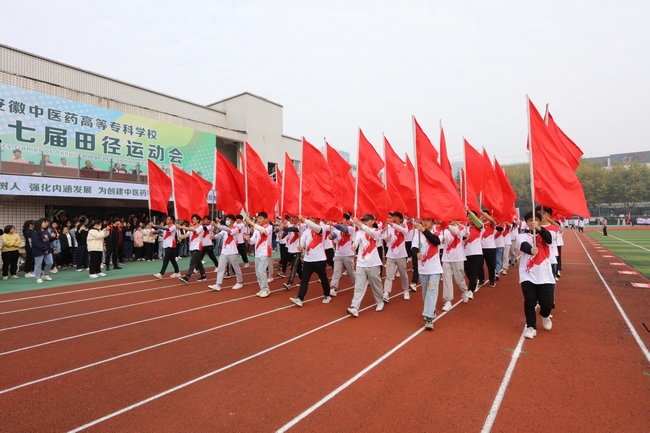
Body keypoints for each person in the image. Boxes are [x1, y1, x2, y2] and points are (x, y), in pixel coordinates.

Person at [518, 211, 555, 339]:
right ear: (526, 222)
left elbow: (549, 239)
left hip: (545, 275)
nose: (532, 222)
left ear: (539, 221)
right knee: (530, 302)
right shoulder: (522, 236)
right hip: (527, 275)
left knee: (547, 304)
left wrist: (538, 229)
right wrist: (530, 250)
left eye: (535, 220)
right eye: (529, 220)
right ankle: (531, 327)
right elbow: (523, 246)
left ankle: (545, 315)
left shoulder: (549, 233)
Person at [289, 216, 332, 307]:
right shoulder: (306, 231)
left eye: (313, 218)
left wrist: (304, 220)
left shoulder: (322, 228)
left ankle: (327, 295)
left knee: (323, 278)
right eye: (310, 218)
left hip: (320, 259)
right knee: (304, 279)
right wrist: (300, 245)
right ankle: (300, 298)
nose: (311, 220)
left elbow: (316, 228)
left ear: (318, 219)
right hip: (308, 260)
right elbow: (302, 240)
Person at [346, 214, 384, 317]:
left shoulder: (377, 231)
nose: (364, 222)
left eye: (367, 220)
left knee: (376, 284)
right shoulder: (359, 233)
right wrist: (354, 246)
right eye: (363, 220)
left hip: (373, 263)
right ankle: (355, 307)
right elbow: (356, 242)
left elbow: (372, 234)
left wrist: (359, 224)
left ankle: (380, 301)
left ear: (373, 221)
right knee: (359, 286)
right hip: (361, 262)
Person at [412, 218, 443, 329]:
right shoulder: (417, 235)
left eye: (428, 220)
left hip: (434, 269)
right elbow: (414, 247)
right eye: (423, 220)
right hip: (423, 269)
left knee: (431, 291)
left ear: (433, 222)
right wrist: (416, 254)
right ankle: (431, 310)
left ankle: (428, 317)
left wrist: (424, 230)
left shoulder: (438, 232)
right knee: (425, 294)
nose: (425, 222)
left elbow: (436, 241)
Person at [208, 215, 244, 291]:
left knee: (236, 268)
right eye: (226, 219)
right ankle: (218, 284)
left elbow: (228, 230)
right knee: (220, 268)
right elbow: (220, 235)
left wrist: (216, 225)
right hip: (224, 251)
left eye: (229, 219)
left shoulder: (235, 228)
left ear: (233, 221)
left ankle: (239, 282)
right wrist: (214, 236)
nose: (227, 220)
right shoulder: (225, 229)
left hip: (232, 251)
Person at [441, 219, 470, 310]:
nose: (449, 220)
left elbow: (459, 233)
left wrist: (448, 226)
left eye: (451, 219)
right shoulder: (443, 230)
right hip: (446, 258)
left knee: (459, 279)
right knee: (447, 279)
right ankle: (448, 301)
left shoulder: (462, 228)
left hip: (458, 257)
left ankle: (464, 291)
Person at [382, 211, 411, 304]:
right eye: (392, 216)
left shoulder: (404, 227)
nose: (393, 218)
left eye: (396, 217)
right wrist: (386, 240)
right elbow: (387, 240)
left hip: (401, 255)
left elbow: (404, 231)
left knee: (403, 274)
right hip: (390, 255)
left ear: (400, 219)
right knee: (389, 275)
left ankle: (406, 290)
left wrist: (391, 224)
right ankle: (386, 293)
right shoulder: (388, 228)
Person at [328, 213, 356, 296]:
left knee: (351, 272)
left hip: (348, 254)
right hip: (338, 254)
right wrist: (330, 236)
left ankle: (357, 284)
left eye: (343, 219)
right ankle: (333, 287)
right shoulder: (336, 229)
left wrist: (334, 224)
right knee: (336, 271)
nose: (341, 220)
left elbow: (344, 229)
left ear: (347, 221)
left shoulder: (351, 228)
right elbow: (334, 235)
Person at [247, 212, 273, 298]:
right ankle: (262, 288)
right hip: (257, 252)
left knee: (261, 271)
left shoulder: (269, 227)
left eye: (261, 218)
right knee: (258, 273)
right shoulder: (256, 230)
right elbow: (253, 241)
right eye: (258, 218)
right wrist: (248, 240)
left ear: (266, 219)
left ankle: (266, 289)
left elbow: (264, 231)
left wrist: (251, 223)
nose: (259, 220)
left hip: (265, 252)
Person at [176, 215, 208, 284]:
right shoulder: (191, 228)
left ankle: (187, 277)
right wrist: (181, 237)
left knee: (192, 263)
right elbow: (187, 235)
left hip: (197, 247)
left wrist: (181, 226)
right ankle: (203, 275)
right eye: (192, 219)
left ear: (198, 220)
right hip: (192, 247)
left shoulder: (200, 227)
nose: (192, 220)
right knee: (198, 262)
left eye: (194, 219)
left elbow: (193, 230)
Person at [462, 207, 484, 298]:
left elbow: (478, 222)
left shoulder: (479, 227)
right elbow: (460, 240)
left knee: (473, 272)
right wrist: (464, 237)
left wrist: (469, 211)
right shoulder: (464, 228)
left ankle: (470, 290)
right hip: (465, 254)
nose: (470, 219)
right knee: (467, 272)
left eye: (472, 217)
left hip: (476, 253)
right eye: (468, 217)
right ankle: (474, 281)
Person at [31, 218, 54, 284]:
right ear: (39, 224)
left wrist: (53, 237)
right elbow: (37, 243)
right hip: (39, 250)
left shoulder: (46, 231)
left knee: (50, 262)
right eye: (43, 223)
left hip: (46, 250)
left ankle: (45, 274)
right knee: (38, 264)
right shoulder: (35, 233)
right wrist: (45, 248)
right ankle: (38, 277)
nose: (45, 224)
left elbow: (49, 239)